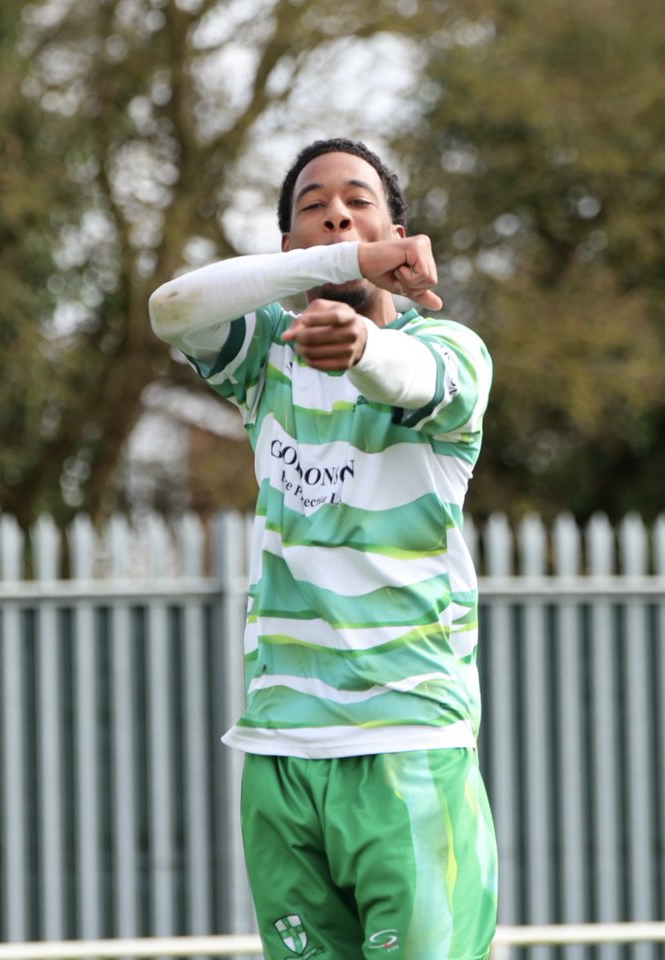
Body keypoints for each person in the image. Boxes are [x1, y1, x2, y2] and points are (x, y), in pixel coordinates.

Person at [148, 137, 498, 960]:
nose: (336, 208)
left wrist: (363, 341)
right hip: (278, 753)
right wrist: (339, 261)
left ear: (400, 233)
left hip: (407, 742)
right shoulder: (264, 358)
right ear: (287, 249)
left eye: (359, 199)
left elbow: (411, 377)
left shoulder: (452, 352)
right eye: (313, 205)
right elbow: (172, 307)